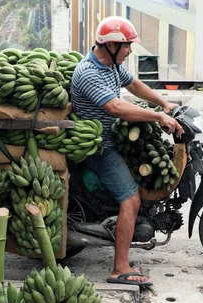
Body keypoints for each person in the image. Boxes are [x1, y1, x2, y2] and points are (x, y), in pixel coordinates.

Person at [70, 16, 184, 286]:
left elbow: (133, 84)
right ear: (110, 45)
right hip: (101, 148)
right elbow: (116, 108)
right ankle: (119, 268)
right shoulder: (89, 72)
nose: (130, 51)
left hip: (115, 139)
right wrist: (158, 118)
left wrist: (163, 103)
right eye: (127, 46)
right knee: (130, 200)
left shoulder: (110, 65)